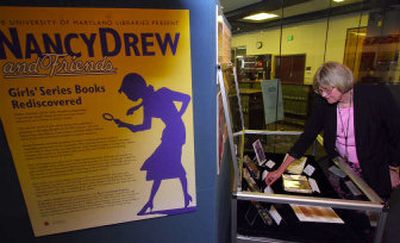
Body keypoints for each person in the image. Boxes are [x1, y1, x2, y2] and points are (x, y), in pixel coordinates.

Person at [264, 61, 400, 198]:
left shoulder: (375, 96)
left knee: (373, 208)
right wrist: (280, 170)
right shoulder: (323, 103)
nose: (323, 95)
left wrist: (392, 167)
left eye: (327, 90)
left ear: (341, 82)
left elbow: (396, 132)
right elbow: (307, 137)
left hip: (374, 166)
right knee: (345, 204)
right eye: (320, 90)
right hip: (340, 165)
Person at [113, 73, 192, 215]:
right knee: (160, 165)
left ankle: (182, 195)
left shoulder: (161, 94)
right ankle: (159, 200)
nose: (128, 96)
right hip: (171, 132)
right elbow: (146, 123)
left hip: (176, 132)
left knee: (169, 163)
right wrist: (126, 122)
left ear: (135, 88)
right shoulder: (151, 102)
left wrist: (178, 116)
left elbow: (186, 98)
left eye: (128, 92)